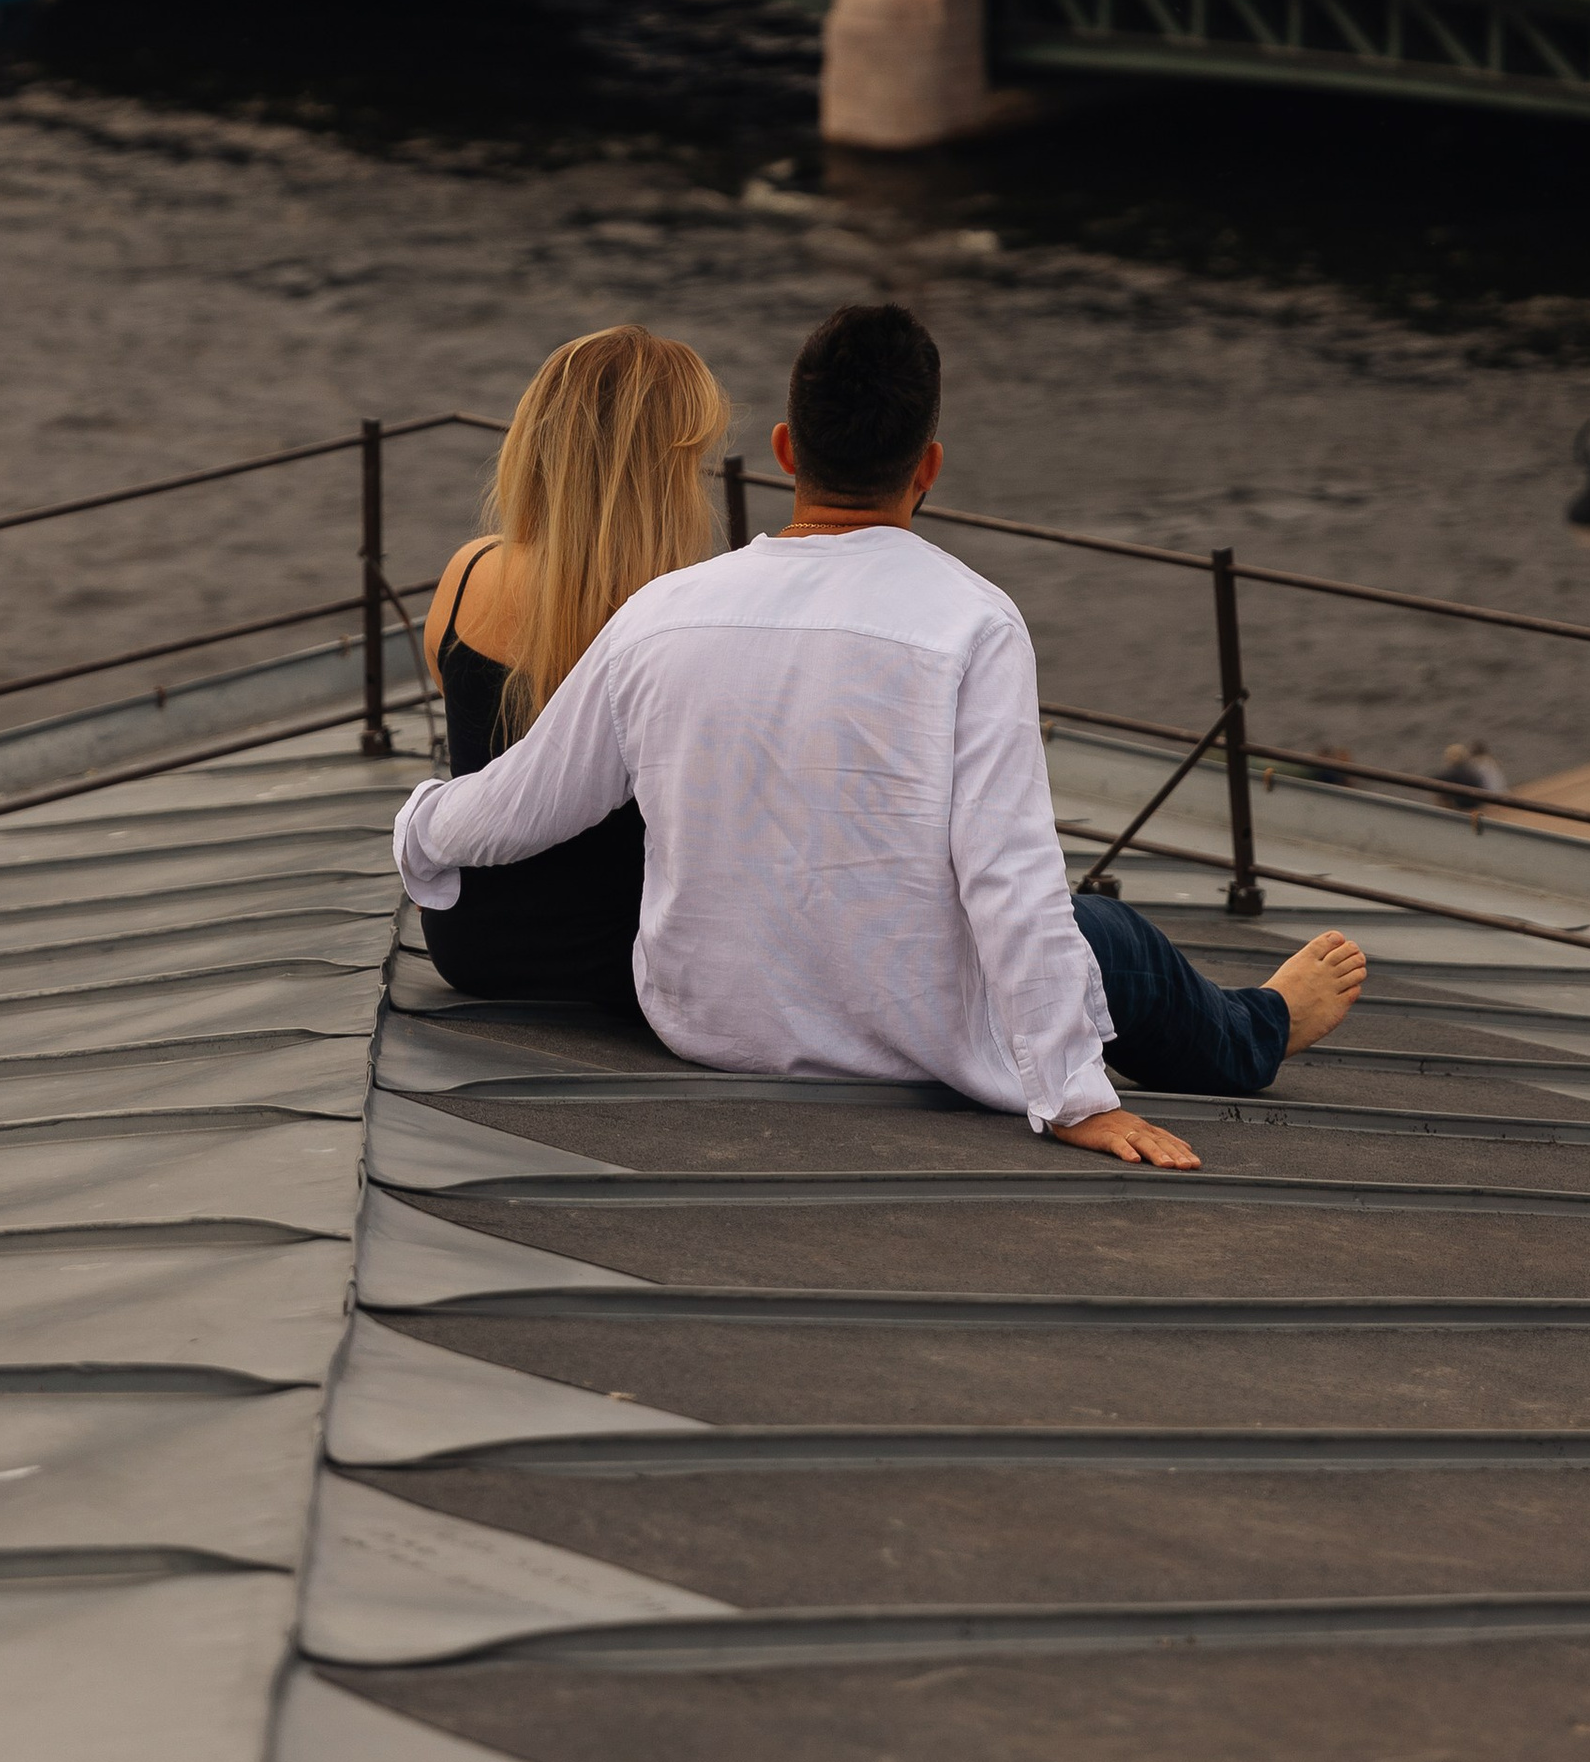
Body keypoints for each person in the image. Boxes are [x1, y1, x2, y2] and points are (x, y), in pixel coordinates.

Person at [396, 303, 1368, 1162]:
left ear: (785, 450)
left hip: (702, 1017)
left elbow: (519, 801)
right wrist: (1071, 1097)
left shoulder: (667, 612)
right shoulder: (970, 620)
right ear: (928, 467)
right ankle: (1261, 1028)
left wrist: (419, 833)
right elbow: (1009, 878)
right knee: (1101, 932)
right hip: (890, 1024)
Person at [417, 325, 730, 1014]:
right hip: (627, 959)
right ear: (667, 473)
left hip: (472, 945)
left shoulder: (469, 574)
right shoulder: (684, 612)